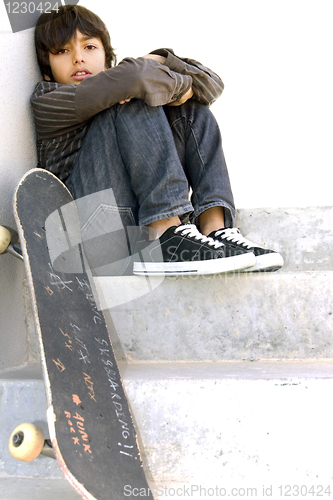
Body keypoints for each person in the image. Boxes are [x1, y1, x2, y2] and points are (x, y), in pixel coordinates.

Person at [31, 4, 283, 276]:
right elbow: (136, 78)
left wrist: (158, 61)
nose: (78, 58)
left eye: (89, 47)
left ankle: (215, 229)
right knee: (129, 98)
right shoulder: (49, 100)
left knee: (190, 111)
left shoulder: (116, 82)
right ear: (47, 71)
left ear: (107, 59)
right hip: (87, 233)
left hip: (133, 219)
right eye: (62, 51)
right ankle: (165, 233)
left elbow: (212, 84)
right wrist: (167, 81)